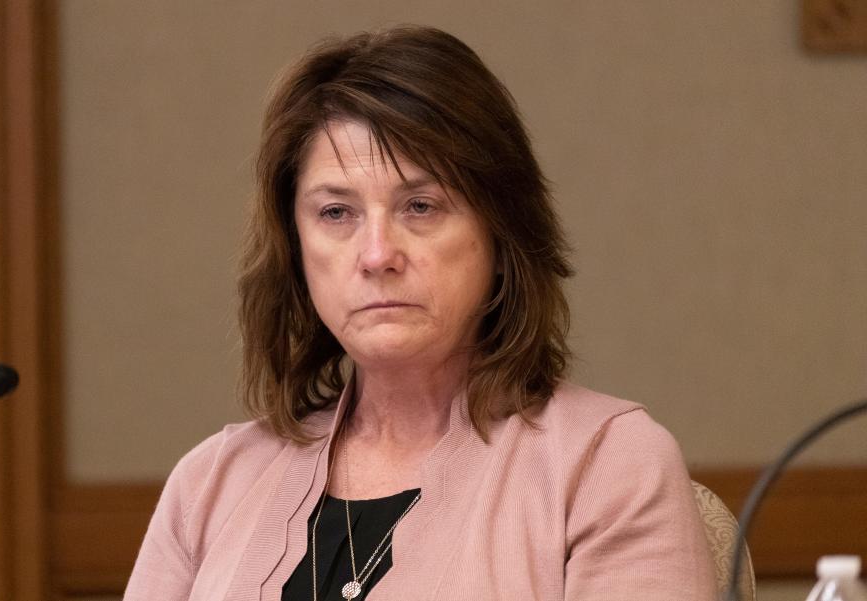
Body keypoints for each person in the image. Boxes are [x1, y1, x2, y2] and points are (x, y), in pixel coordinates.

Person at [124, 25, 718, 601]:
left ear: (501, 234)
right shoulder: (211, 484)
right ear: (295, 247)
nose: (378, 254)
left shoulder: (605, 465)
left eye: (421, 206)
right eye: (336, 213)